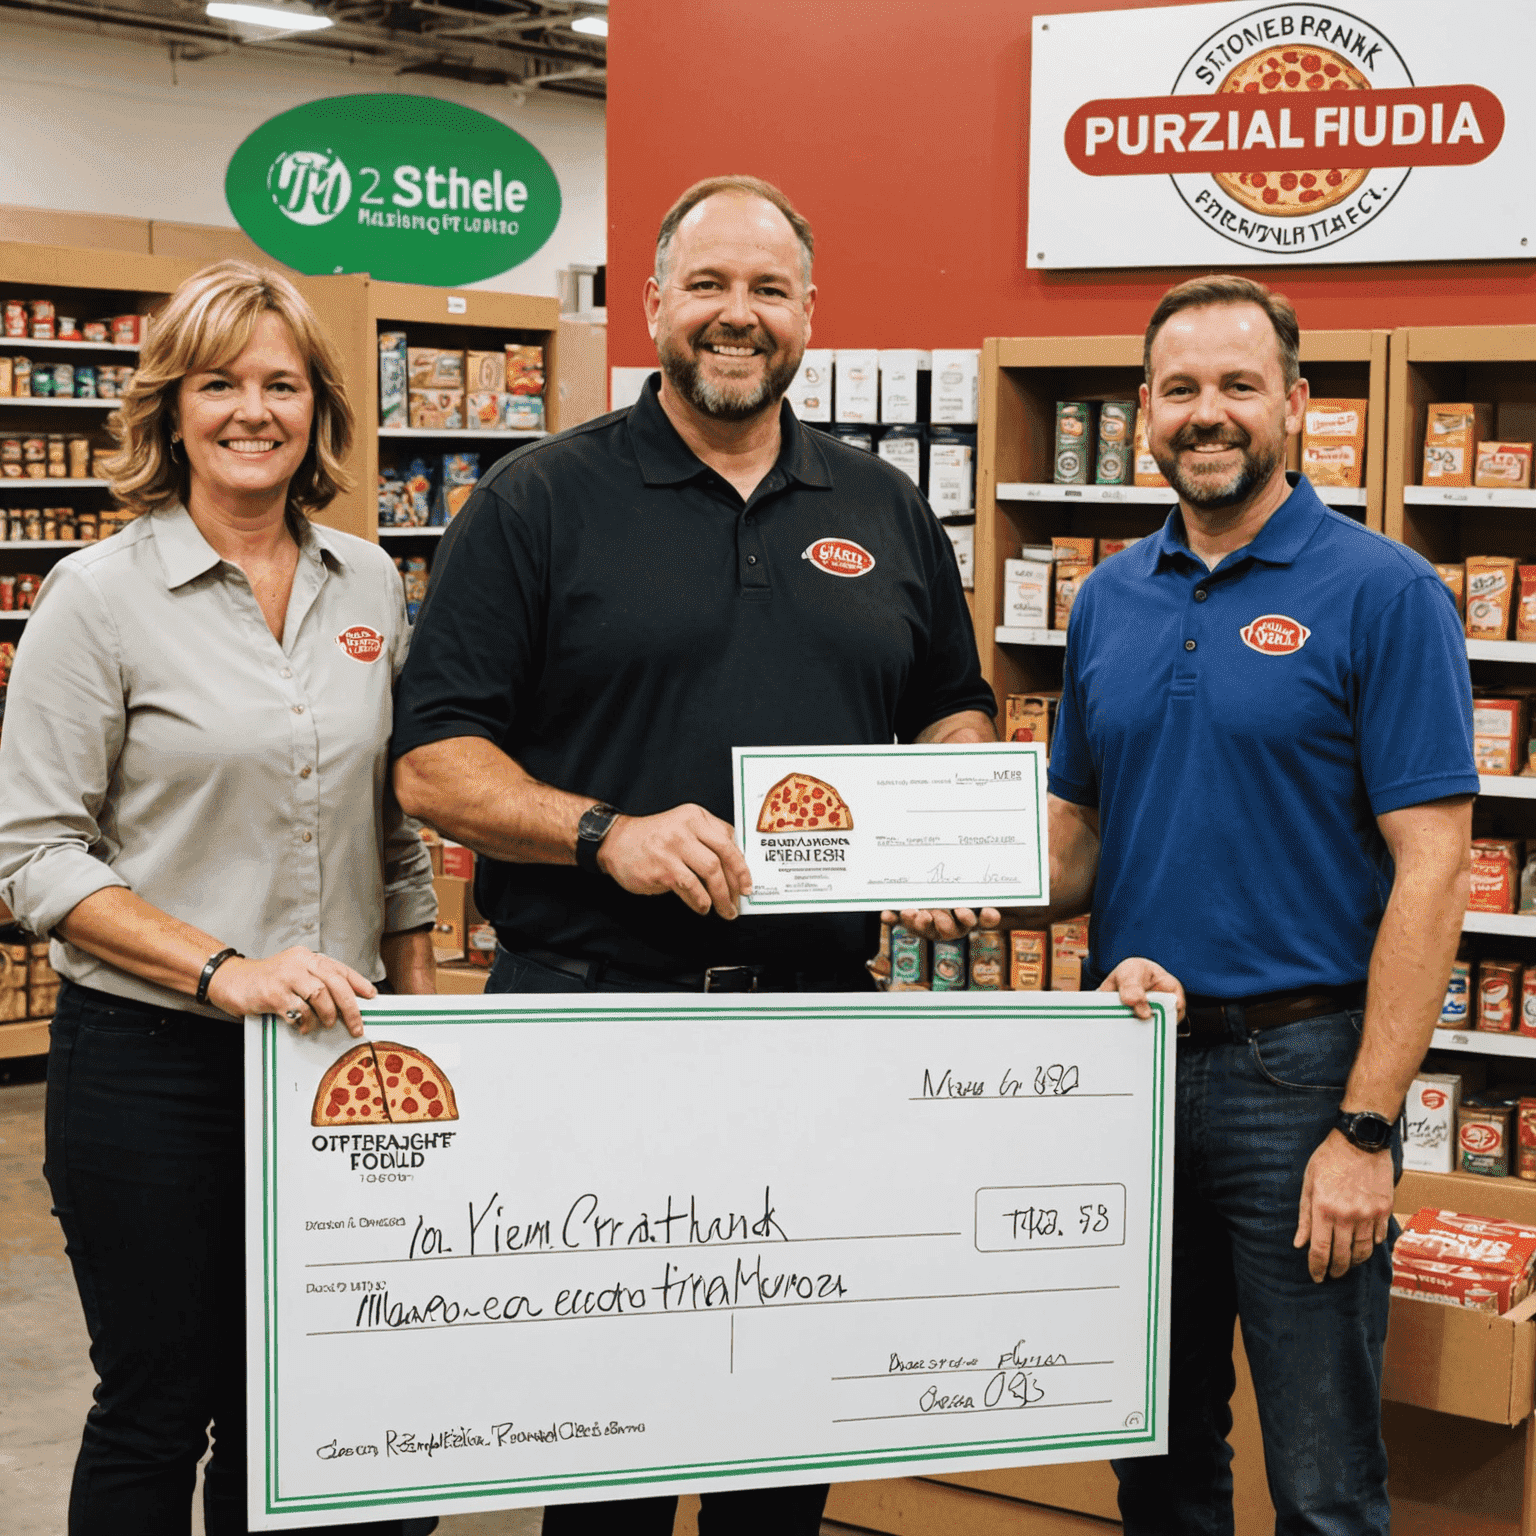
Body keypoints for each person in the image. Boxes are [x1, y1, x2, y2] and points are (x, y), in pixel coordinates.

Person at [390, 175, 996, 1533]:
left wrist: (951, 800)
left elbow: (950, 702)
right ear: (653, 302)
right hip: (595, 1024)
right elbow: (434, 763)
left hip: (818, 1033)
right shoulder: (538, 501)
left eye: (769, 290)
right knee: (607, 1433)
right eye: (710, 286)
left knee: (785, 1431)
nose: (740, 315)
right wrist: (603, 833)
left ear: (808, 315)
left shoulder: (886, 506)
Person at [0, 260, 439, 1536]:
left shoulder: (370, 585)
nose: (252, 410)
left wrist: (426, 1032)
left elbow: (392, 832)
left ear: (318, 410)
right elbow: (35, 856)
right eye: (219, 384)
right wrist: (219, 966)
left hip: (335, 1069)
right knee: (157, 1407)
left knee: (296, 1407)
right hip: (152, 1064)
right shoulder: (101, 595)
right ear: (170, 410)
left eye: (280, 384)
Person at [1036, 275, 1473, 1534]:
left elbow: (1433, 866)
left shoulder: (1382, 591)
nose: (1207, 414)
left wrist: (1369, 1128)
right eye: (1181, 390)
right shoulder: (1109, 599)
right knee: (1157, 1459)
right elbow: (1078, 843)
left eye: (1238, 385)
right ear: (1143, 412)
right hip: (1134, 1070)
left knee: (1327, 1479)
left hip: (1302, 1077)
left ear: (1296, 400)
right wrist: (943, 874)